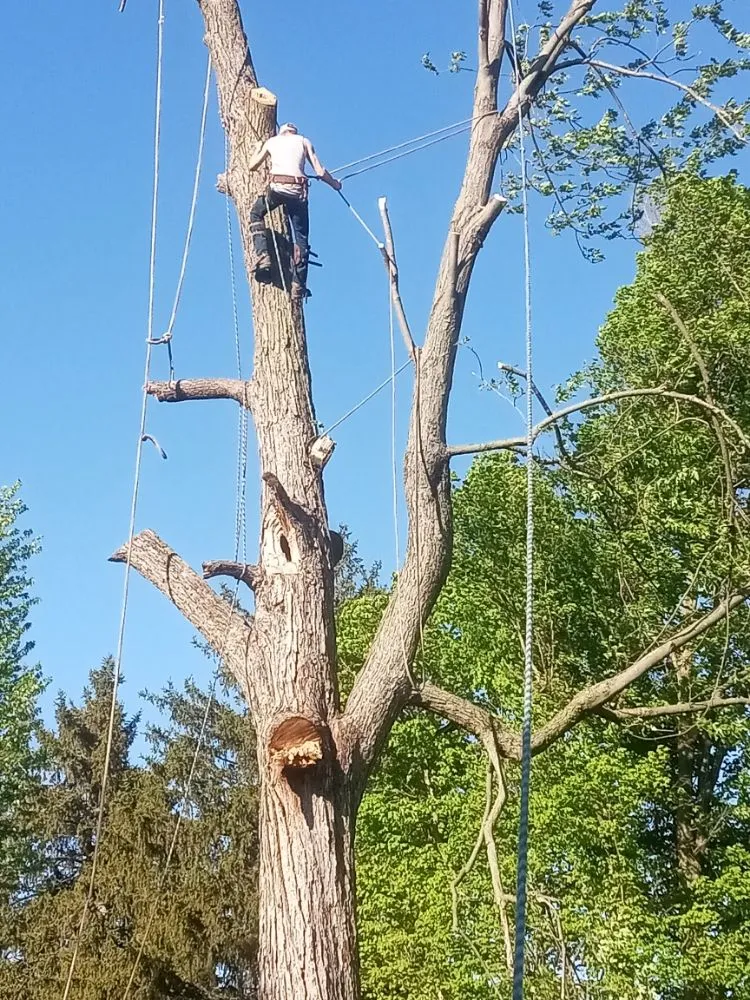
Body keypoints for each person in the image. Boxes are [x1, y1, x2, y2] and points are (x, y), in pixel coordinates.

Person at [248, 123, 342, 300]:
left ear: (282, 131)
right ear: (294, 132)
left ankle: (263, 256)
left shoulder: (272, 142)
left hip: (277, 190)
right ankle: (298, 284)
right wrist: (335, 184)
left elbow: (252, 165)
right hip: (297, 194)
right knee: (301, 238)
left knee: (256, 214)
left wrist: (257, 148)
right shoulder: (304, 141)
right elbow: (320, 171)